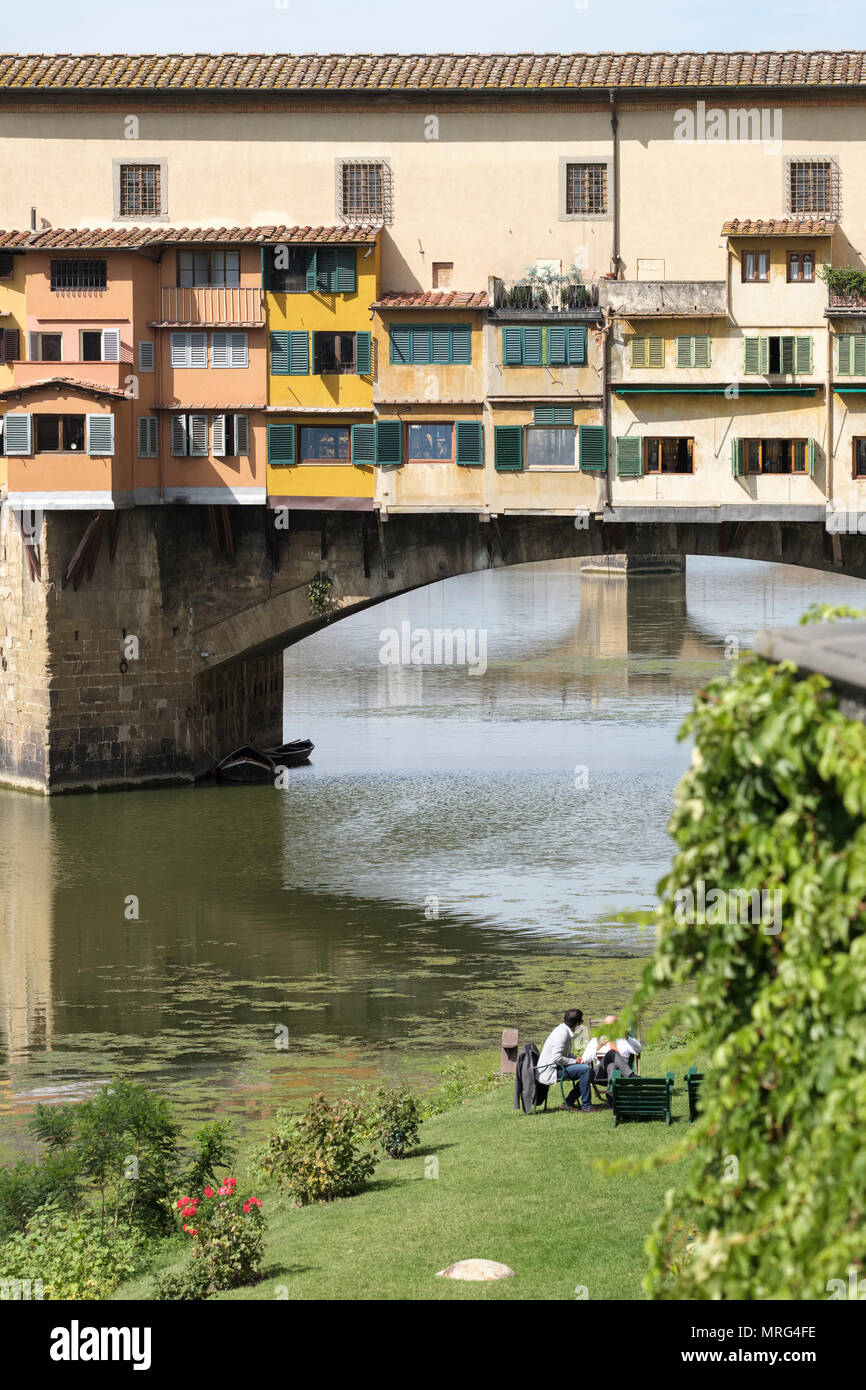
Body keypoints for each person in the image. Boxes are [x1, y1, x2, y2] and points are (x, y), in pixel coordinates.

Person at [536, 1008, 593, 1113]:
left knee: (589, 1071)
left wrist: (576, 1058)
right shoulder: (562, 1034)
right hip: (550, 1070)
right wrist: (574, 1062)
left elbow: (564, 1053)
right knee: (586, 1070)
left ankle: (569, 1102)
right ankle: (586, 1106)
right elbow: (556, 1058)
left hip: (556, 1066)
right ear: (577, 1023)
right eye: (581, 1022)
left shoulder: (563, 1029)